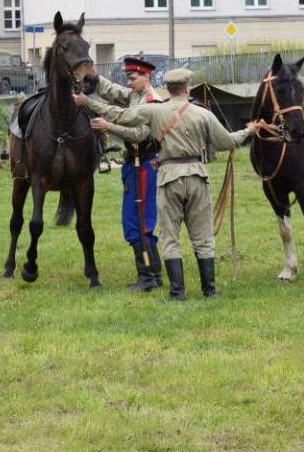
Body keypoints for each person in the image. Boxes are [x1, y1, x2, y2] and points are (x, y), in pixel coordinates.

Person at [75, 68, 263, 300]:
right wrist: (249, 130)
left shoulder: (153, 110)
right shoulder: (203, 114)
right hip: (196, 176)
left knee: (169, 237)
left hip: (168, 176)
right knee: (203, 236)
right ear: (187, 88)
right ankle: (209, 292)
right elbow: (226, 142)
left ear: (168, 87)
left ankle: (177, 293)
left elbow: (118, 115)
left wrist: (88, 103)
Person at [91, 55, 163, 291]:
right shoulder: (136, 95)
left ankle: (147, 277)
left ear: (146, 76)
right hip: (135, 164)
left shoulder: (151, 101)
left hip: (145, 165)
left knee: (138, 222)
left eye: (133, 78)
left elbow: (139, 134)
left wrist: (108, 126)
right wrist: (90, 74)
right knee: (138, 221)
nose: (129, 83)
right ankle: (154, 274)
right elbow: (112, 91)